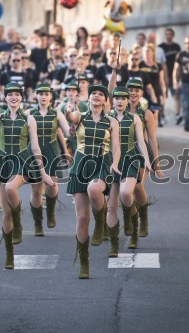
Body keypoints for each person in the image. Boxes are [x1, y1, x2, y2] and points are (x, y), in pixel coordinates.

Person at [0, 80, 55, 269]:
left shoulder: (29, 119)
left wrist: (43, 173)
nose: (13, 97)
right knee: (5, 214)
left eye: (17, 94)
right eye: (10, 94)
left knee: (10, 187)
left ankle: (19, 220)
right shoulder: (1, 118)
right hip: (3, 161)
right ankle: (9, 255)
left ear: (21, 98)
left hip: (22, 161)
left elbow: (35, 146)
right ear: (5, 98)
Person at [65, 84, 121, 279]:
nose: (97, 96)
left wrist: (114, 164)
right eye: (93, 94)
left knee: (94, 188)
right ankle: (84, 263)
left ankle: (100, 223)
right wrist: (70, 109)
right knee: (81, 219)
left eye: (100, 94)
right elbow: (71, 117)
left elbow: (116, 147)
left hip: (101, 164)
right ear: (88, 99)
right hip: (81, 164)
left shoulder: (112, 121)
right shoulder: (81, 116)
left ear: (106, 101)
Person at [104, 84, 151, 256]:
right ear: (112, 100)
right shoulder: (106, 117)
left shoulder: (135, 118)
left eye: (123, 98)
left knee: (127, 193)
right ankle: (114, 246)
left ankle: (133, 228)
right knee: (111, 206)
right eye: (117, 98)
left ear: (127, 100)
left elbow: (140, 141)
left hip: (130, 159)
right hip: (111, 161)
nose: (120, 101)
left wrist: (146, 159)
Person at [25, 83, 71, 236]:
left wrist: (73, 123)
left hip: (52, 151)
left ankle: (50, 212)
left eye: (46, 94)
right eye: (41, 94)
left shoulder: (57, 113)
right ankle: (38, 224)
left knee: (52, 186)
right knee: (36, 189)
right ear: (36, 96)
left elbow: (68, 133)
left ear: (51, 97)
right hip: (33, 151)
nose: (43, 96)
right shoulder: (28, 113)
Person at [122, 78, 164, 247]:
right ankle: (133, 228)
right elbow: (110, 91)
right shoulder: (118, 109)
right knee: (125, 193)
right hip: (121, 153)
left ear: (141, 93)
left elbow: (153, 139)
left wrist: (156, 163)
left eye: (136, 90)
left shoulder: (147, 113)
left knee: (137, 187)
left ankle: (143, 217)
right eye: (130, 89)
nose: (133, 92)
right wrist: (115, 72)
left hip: (140, 153)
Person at [158, 28, 182, 123]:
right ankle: (162, 115)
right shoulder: (161, 47)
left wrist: (178, 76)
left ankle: (177, 115)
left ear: (173, 35)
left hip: (175, 75)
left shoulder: (177, 47)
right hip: (163, 75)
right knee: (163, 96)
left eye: (170, 34)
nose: (168, 36)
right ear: (165, 35)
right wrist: (164, 76)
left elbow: (180, 62)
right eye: (167, 34)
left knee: (176, 95)